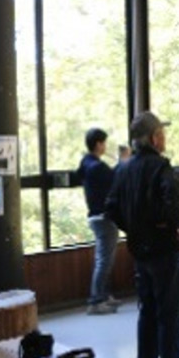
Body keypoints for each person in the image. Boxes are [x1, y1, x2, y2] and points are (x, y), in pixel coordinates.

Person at [105, 111, 179, 358]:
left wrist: (134, 228)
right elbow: (173, 209)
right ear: (154, 138)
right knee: (170, 314)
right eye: (162, 133)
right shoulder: (161, 167)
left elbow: (111, 207)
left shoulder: (123, 168)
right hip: (163, 249)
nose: (164, 138)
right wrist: (162, 225)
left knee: (146, 309)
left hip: (139, 249)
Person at [76, 128, 122, 315]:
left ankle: (103, 296)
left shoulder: (85, 163)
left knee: (103, 259)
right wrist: (122, 162)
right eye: (104, 143)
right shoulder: (97, 167)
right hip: (103, 217)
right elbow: (115, 178)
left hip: (95, 217)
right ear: (98, 144)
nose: (105, 146)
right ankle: (96, 301)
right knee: (104, 261)